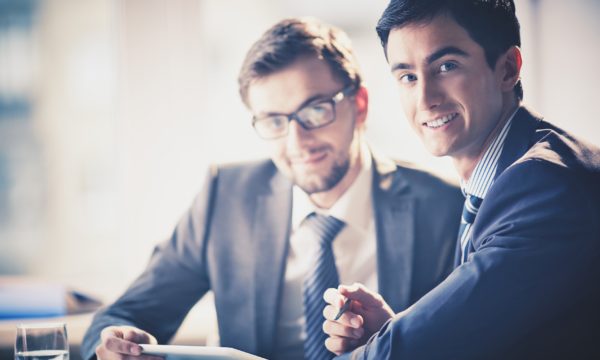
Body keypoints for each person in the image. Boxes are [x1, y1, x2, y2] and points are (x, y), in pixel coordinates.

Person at [81, 17, 463, 360]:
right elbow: (122, 316)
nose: (297, 141)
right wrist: (116, 342)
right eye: (275, 122)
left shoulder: (442, 206)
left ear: (359, 105)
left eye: (315, 111)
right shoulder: (225, 197)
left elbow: (469, 343)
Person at [323, 0, 600, 359]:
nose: (426, 99)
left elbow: (401, 352)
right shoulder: (498, 177)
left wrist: (394, 341)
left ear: (507, 68)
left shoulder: (543, 185)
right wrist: (392, 329)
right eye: (407, 76)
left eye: (446, 66)